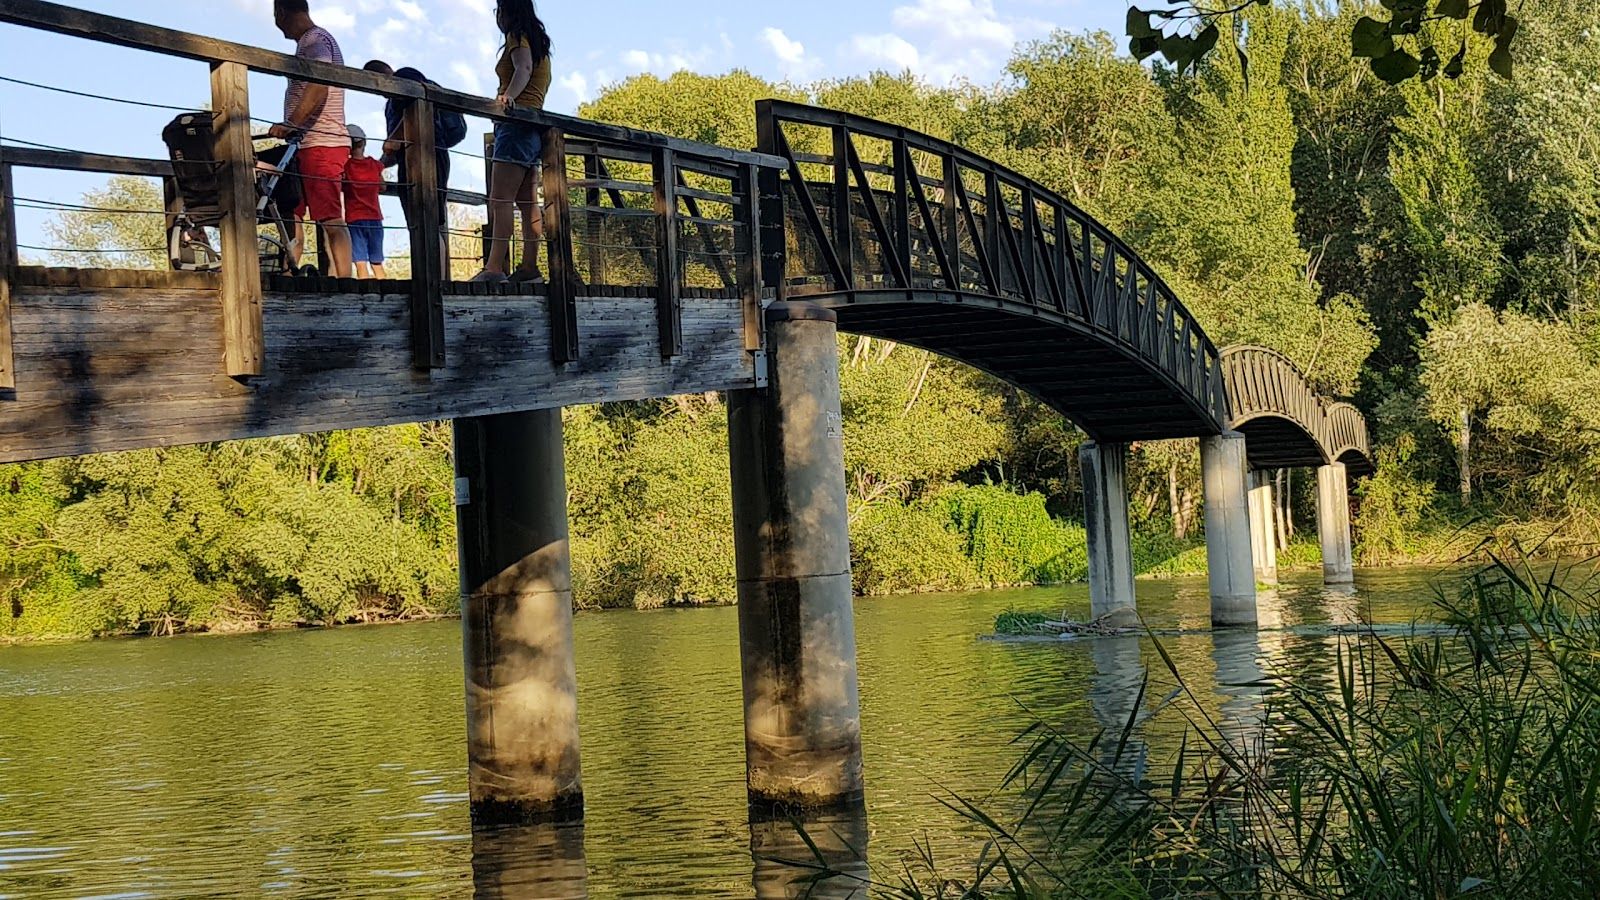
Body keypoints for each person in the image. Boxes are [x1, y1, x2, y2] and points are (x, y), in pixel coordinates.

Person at [269, 0, 353, 278]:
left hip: (321, 142)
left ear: (281, 13)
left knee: (329, 216)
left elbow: (319, 82)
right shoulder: (311, 40)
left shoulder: (315, 40)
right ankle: (291, 272)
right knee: (294, 210)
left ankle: (344, 280)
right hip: (305, 144)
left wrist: (291, 122)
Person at [472, 0, 554, 284]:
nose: (498, 16)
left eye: (500, 10)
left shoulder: (517, 36)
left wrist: (508, 97)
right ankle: (529, 268)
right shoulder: (539, 41)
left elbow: (524, 67)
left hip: (516, 124)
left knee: (500, 198)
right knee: (527, 202)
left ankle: (494, 268)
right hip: (533, 127)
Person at [363, 60, 466, 271]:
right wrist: (379, 165)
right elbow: (393, 148)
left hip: (429, 156)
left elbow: (417, 102)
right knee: (417, 224)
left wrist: (395, 139)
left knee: (429, 222)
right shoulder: (390, 105)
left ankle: (435, 278)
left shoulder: (405, 75)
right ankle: (428, 274)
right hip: (409, 161)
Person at [343, 125, 387, 279]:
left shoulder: (346, 166)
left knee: (360, 263)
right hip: (375, 217)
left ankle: (365, 294)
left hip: (355, 218)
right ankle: (383, 289)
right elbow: (383, 186)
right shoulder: (374, 165)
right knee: (377, 262)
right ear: (364, 143)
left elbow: (340, 184)